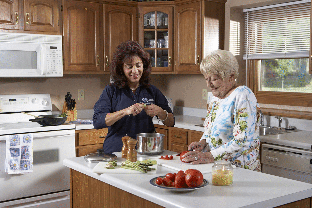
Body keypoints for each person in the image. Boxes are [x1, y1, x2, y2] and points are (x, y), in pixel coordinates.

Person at [182, 49, 261, 171]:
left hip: (241, 170)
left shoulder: (243, 95)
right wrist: (203, 142)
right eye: (206, 79)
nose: (209, 85)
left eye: (213, 79)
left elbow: (242, 141)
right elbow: (210, 129)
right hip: (219, 168)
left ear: (231, 76)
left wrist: (208, 156)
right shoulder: (216, 98)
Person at [93, 40, 174, 154]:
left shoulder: (152, 90)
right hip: (117, 152)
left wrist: (161, 112)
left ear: (143, 66)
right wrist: (125, 111)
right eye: (129, 67)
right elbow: (98, 121)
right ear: (121, 69)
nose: (135, 71)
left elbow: (171, 122)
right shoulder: (111, 91)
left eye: (138, 65)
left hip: (146, 151)